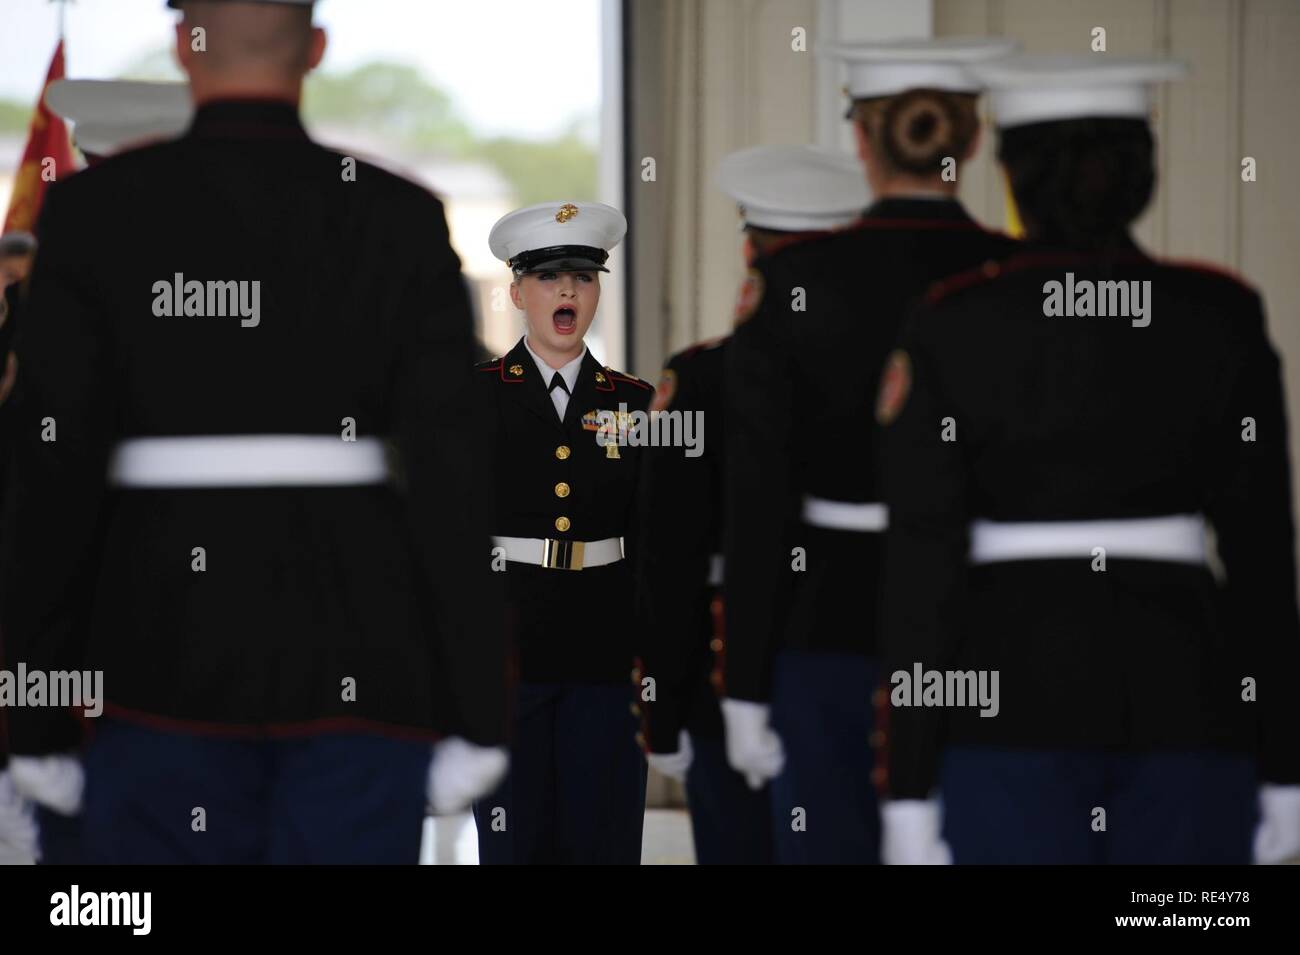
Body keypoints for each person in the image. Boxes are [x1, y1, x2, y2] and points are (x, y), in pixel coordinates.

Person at [1, 0, 507, 864]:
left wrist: (34, 712)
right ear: (315, 47)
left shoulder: (93, 216)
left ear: (181, 46)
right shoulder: (399, 214)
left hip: (155, 667)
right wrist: (478, 710)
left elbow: (50, 477)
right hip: (362, 677)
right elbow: (454, 481)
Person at [878, 55, 1300, 865]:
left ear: (1012, 178)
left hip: (1004, 703)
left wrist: (907, 782)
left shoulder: (953, 322)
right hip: (1191, 701)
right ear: (1143, 172)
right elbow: (1263, 562)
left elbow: (921, 571)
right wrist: (1284, 761)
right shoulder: (1220, 313)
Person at [721, 37, 1019, 864]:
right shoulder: (1016, 272)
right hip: (989, 615)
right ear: (972, 141)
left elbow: (758, 496)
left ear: (861, 142)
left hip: (830, 617)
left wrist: (744, 679)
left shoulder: (799, 277)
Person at [636, 144, 868, 864]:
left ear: (749, 249)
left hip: (722, 669)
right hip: (871, 665)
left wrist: (662, 705)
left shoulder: (701, 377)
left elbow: (668, 551)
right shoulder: (897, 369)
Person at [473, 200, 652, 864]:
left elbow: (655, 541)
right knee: (515, 841)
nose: (569, 289)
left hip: (606, 654)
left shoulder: (634, 403)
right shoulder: (473, 398)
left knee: (602, 839)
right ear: (518, 292)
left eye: (583, 274)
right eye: (549, 277)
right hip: (507, 651)